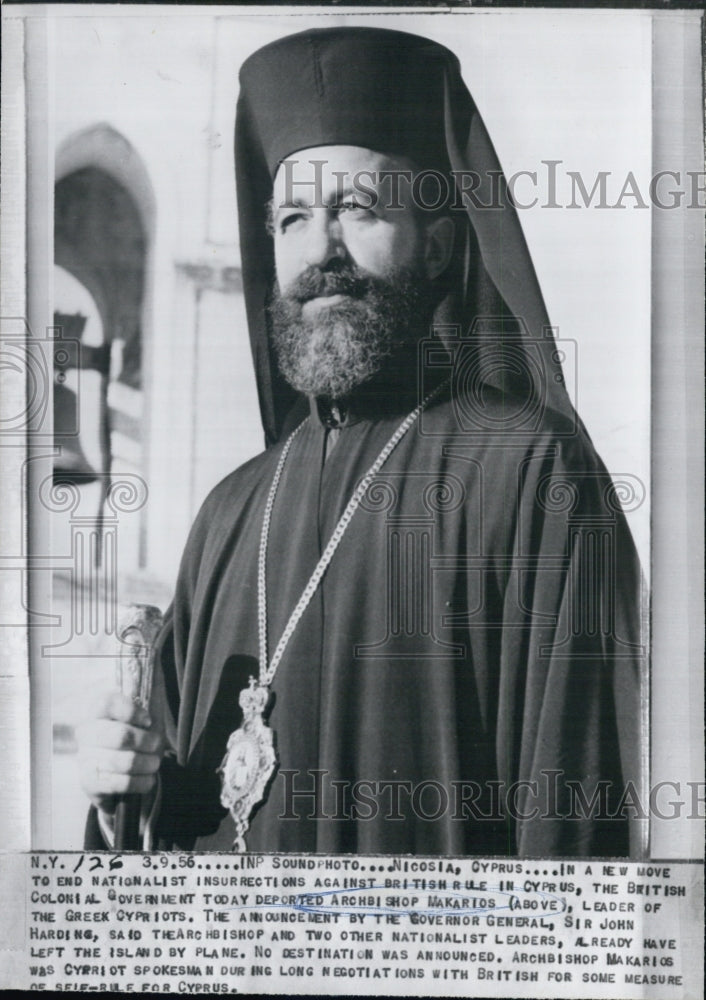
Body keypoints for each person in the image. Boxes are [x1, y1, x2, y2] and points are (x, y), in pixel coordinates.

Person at [78, 27, 647, 857]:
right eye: (295, 217)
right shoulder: (229, 513)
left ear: (443, 244)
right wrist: (120, 800)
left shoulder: (533, 472)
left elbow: (574, 832)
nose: (321, 251)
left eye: (358, 208)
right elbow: (174, 822)